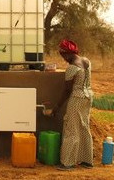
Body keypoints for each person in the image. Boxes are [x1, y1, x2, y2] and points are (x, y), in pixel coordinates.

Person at [45, 39, 94, 171]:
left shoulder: (72, 68)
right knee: (84, 126)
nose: (64, 59)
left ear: (67, 53)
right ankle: (87, 160)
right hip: (88, 96)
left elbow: (67, 91)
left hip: (77, 98)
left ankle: (67, 163)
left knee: (71, 128)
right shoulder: (86, 61)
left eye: (63, 56)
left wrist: (56, 108)